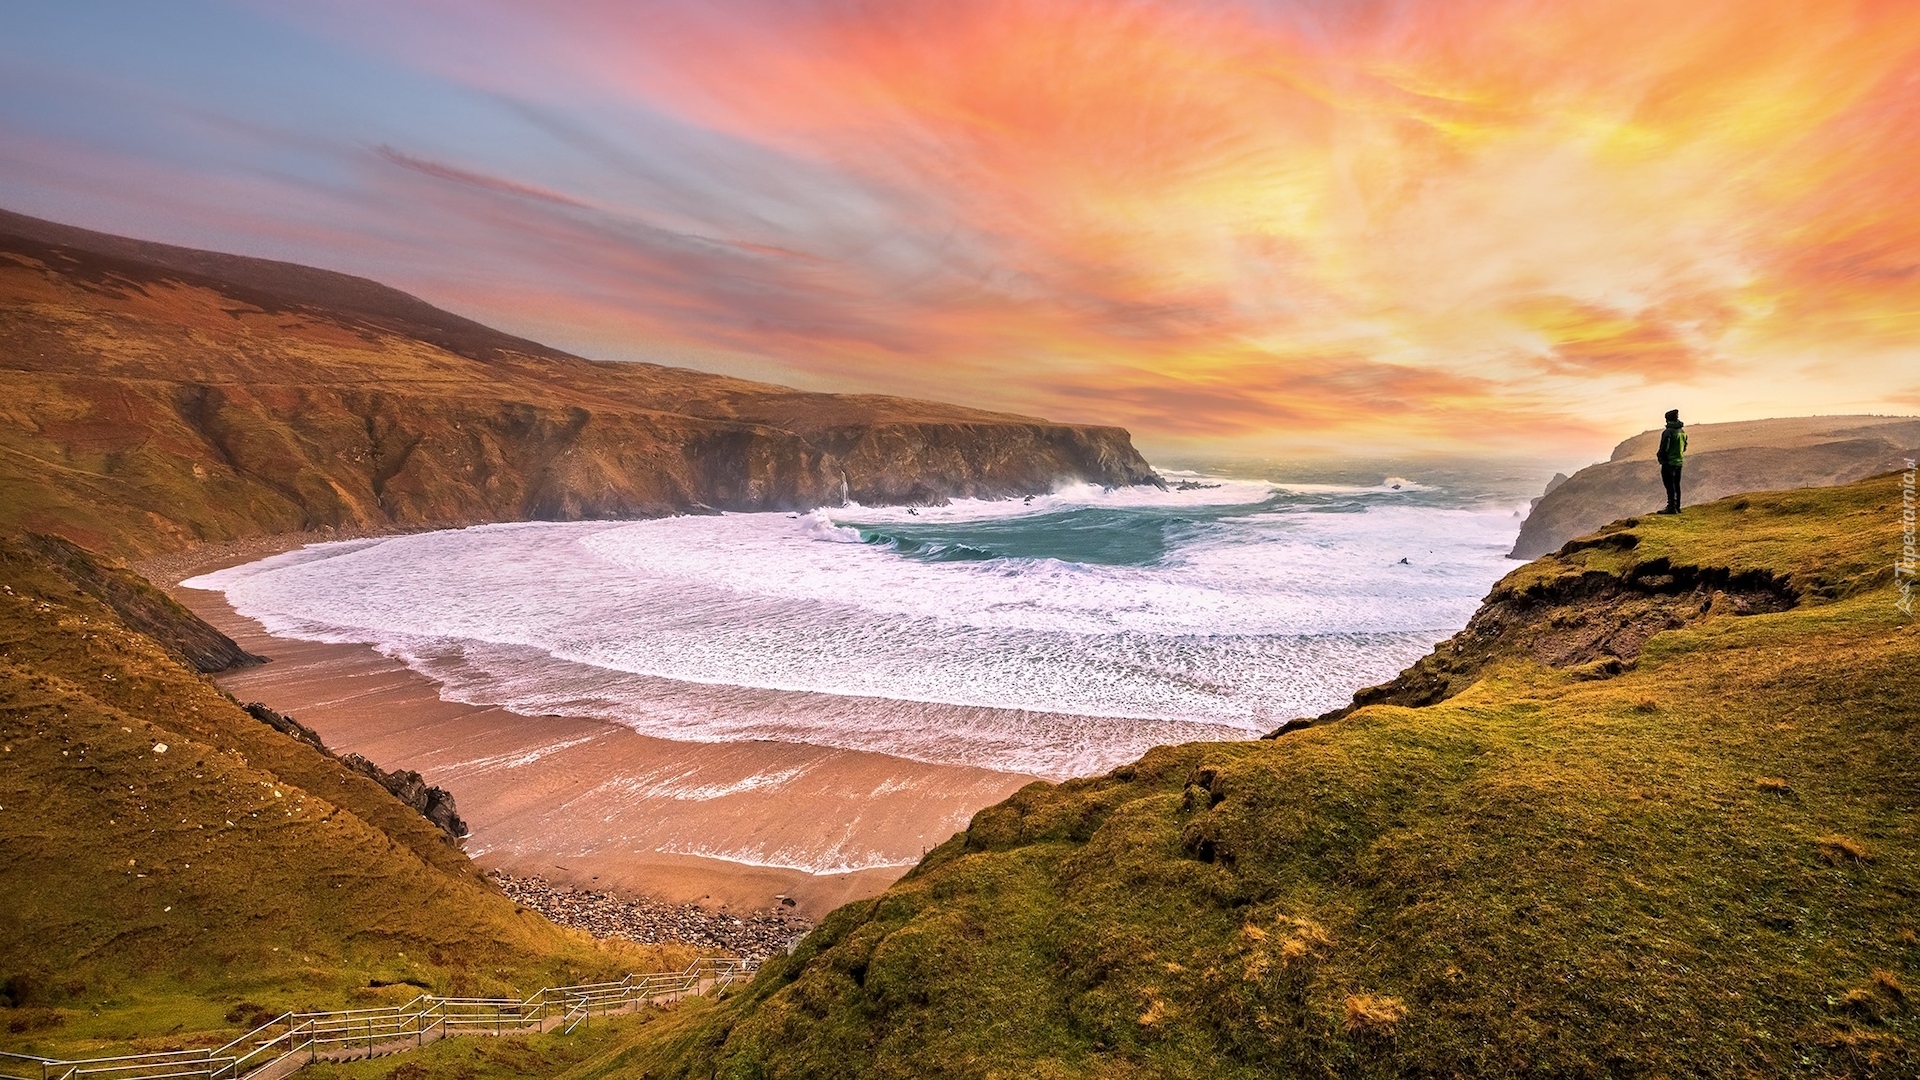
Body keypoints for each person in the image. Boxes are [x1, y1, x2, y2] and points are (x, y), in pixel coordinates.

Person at [1656, 409, 1687, 514]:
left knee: (1669, 485)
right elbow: (1684, 446)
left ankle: (1671, 507)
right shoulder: (1682, 431)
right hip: (1679, 461)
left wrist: (1661, 458)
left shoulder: (1668, 432)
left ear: (1667, 419)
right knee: (1676, 485)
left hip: (1669, 462)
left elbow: (1664, 447)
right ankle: (1677, 507)